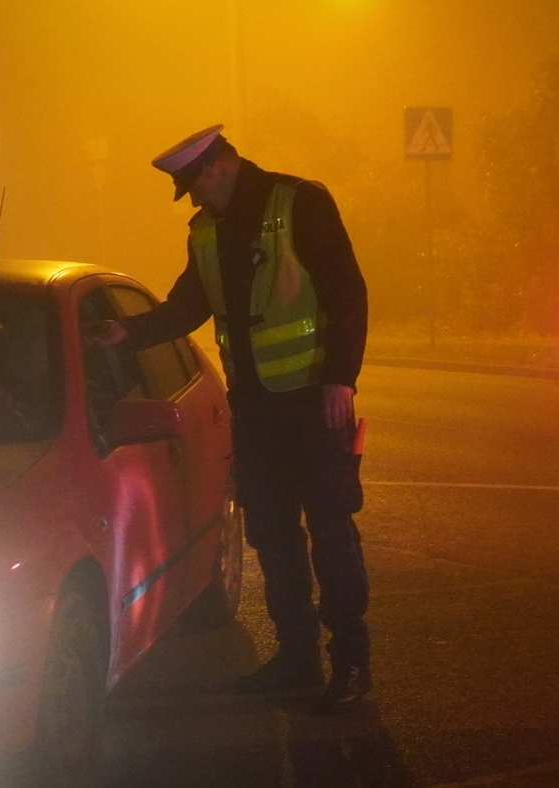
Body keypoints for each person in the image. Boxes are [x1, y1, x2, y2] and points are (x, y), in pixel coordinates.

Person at [98, 125, 371, 714]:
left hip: (313, 401)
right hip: (256, 409)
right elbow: (186, 307)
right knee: (272, 534)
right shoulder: (206, 233)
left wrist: (340, 378)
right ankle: (297, 656)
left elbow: (347, 291)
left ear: (220, 167)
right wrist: (129, 334)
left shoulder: (299, 202)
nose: (193, 199)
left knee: (331, 533)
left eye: (194, 186)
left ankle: (351, 659)